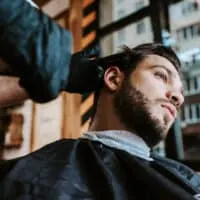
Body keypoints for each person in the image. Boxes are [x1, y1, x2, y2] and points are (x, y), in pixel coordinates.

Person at [0, 1, 200, 200]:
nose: (178, 97)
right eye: (161, 76)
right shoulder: (39, 172)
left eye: (180, 91)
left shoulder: (185, 180)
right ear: (113, 78)